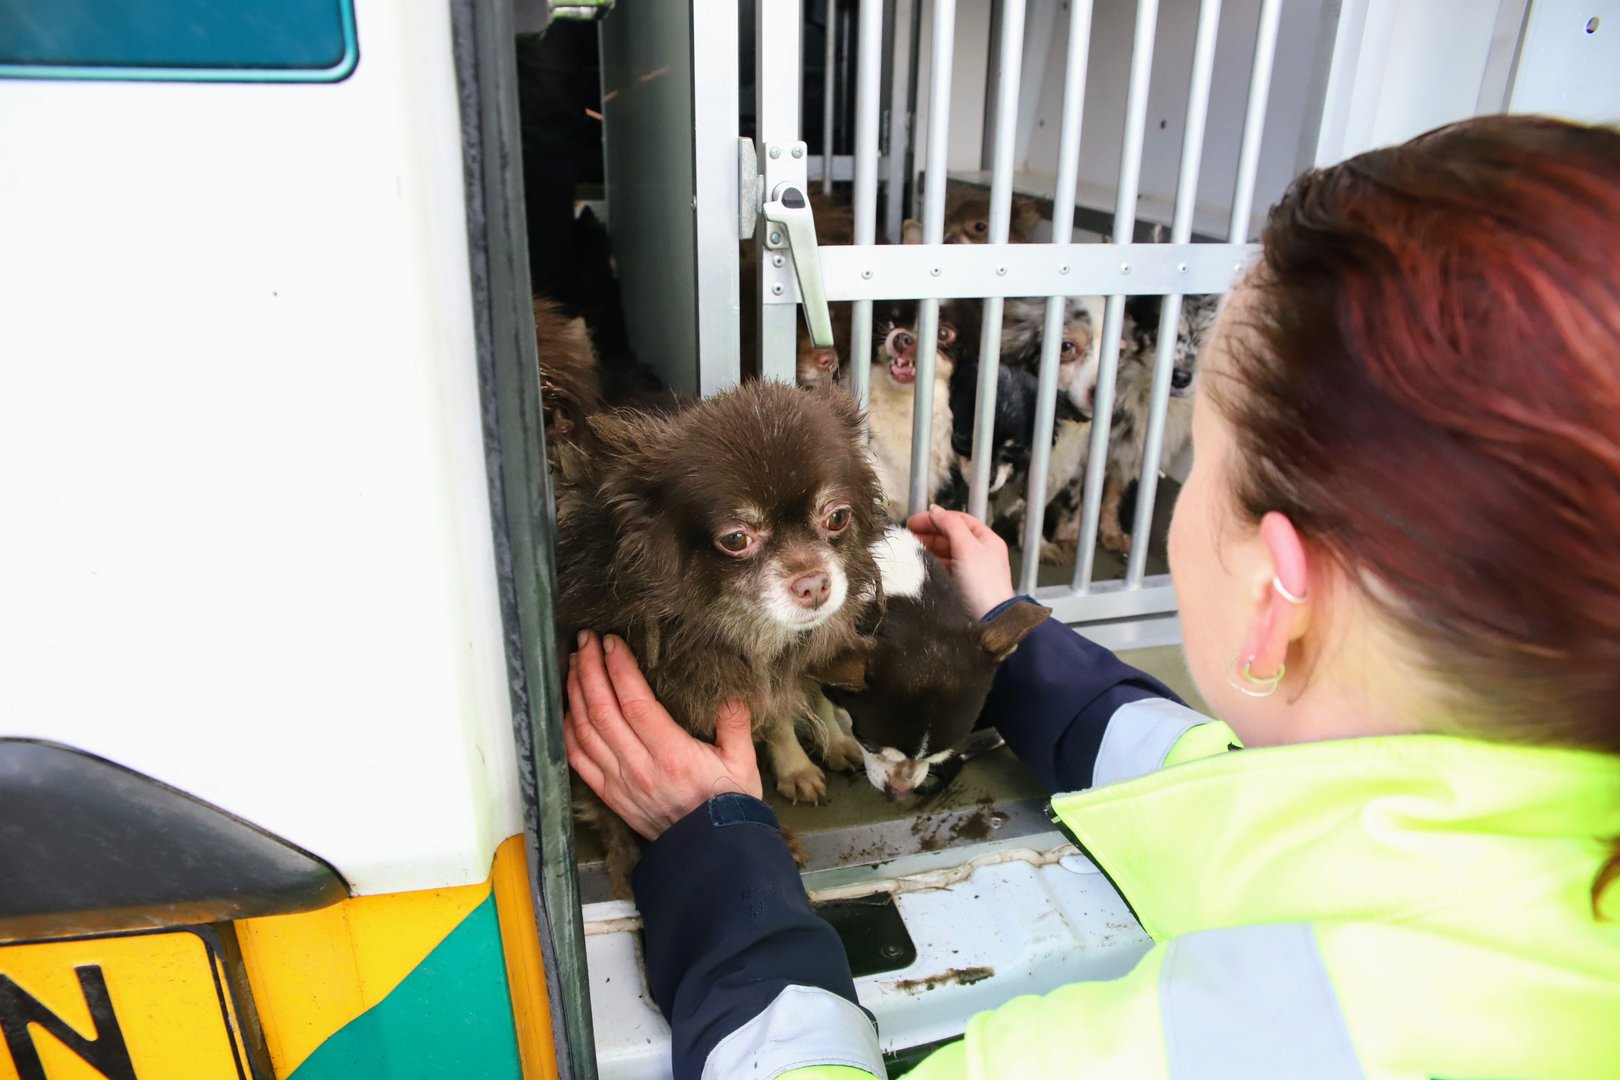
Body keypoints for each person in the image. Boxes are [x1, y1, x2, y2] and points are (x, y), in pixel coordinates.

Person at [563, 115, 1620, 1079]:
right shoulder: (1534, 856)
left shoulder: (1303, 1030)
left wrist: (720, 863)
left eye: (1200, 459)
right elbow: (1228, 798)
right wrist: (1012, 645)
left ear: (1275, 594)